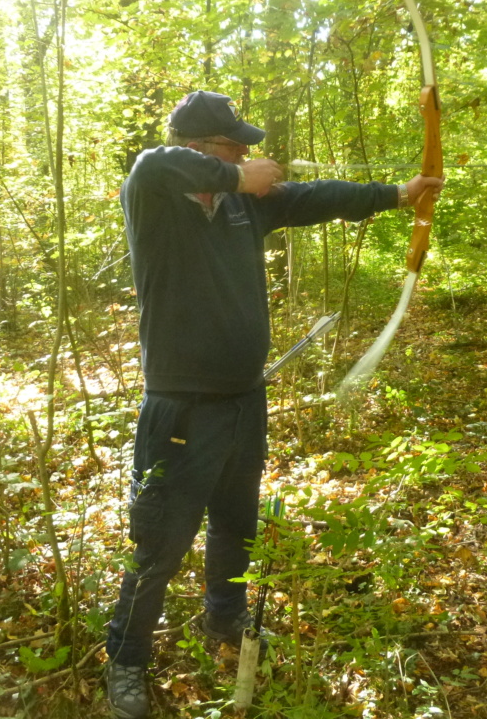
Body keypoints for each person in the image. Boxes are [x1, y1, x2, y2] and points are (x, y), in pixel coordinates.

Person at [105, 90, 443, 719]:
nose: (245, 153)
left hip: (242, 401)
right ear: (202, 148)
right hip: (181, 407)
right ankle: (126, 660)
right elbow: (156, 163)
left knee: (237, 521)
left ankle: (224, 619)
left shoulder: (243, 206)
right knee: (159, 541)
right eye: (234, 145)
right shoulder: (155, 190)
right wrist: (239, 175)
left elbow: (318, 198)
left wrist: (400, 193)